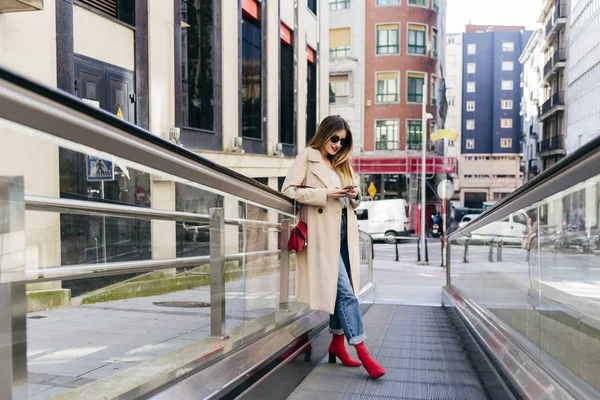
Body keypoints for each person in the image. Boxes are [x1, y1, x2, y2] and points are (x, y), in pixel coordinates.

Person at [281, 115, 385, 379]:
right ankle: (363, 351)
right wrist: (326, 194)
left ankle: (337, 344)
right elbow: (288, 191)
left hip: (344, 235)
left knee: (342, 289)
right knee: (347, 293)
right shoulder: (308, 156)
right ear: (324, 134)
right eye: (335, 138)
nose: (338, 144)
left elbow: (355, 202)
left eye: (343, 140)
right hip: (321, 236)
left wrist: (355, 194)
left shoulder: (342, 163)